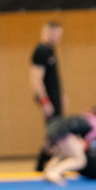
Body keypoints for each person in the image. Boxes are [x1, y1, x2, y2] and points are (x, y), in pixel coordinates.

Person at [31, 20, 65, 171]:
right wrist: (45, 101)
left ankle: (43, 164)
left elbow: (53, 78)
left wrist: (61, 95)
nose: (59, 37)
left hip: (54, 97)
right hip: (48, 99)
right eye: (57, 34)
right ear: (49, 32)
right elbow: (35, 79)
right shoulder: (40, 50)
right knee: (54, 133)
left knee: (53, 133)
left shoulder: (51, 49)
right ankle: (43, 164)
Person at [41, 107, 96, 186]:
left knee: (64, 153)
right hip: (63, 133)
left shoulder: (83, 116)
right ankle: (54, 172)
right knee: (80, 160)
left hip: (52, 132)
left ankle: (49, 169)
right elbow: (83, 143)